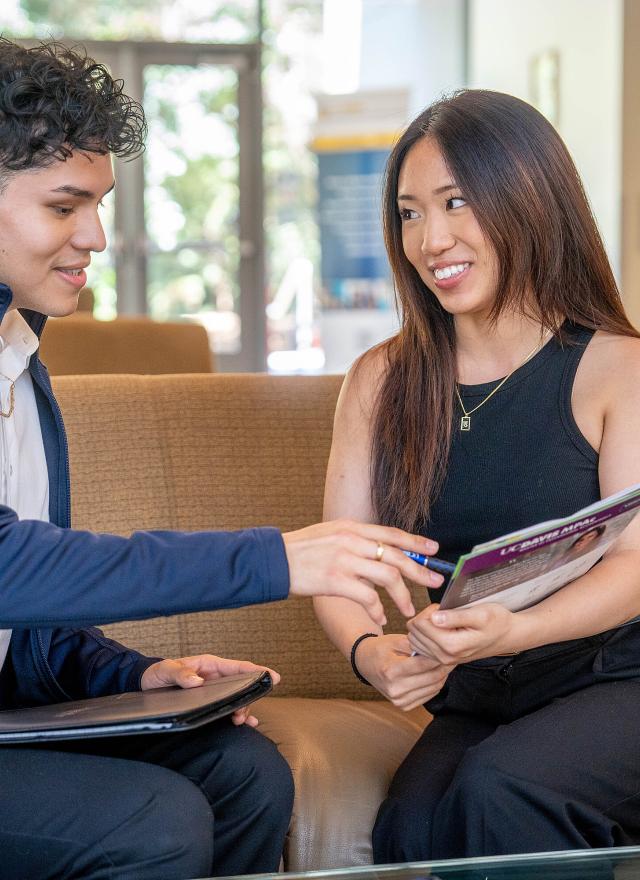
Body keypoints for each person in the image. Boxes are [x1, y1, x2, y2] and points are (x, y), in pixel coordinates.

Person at [0, 39, 437, 880]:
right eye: (64, 206)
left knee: (245, 777)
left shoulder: (21, 356)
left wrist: (143, 674)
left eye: (100, 203)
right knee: (152, 825)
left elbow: (26, 636)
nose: (95, 235)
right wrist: (276, 557)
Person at [314, 88, 640, 862]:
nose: (432, 238)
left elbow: (636, 564)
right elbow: (339, 564)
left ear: (529, 197)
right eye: (411, 212)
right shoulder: (380, 379)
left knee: (504, 791)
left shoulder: (617, 368)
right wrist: (369, 652)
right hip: (483, 688)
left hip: (618, 677)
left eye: (457, 202)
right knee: (414, 829)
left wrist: (517, 630)